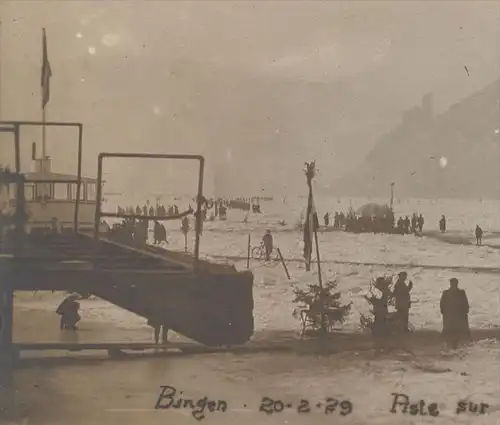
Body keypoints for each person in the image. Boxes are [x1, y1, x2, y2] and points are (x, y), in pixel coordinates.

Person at [440, 278, 470, 349]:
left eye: (454, 283)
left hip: (455, 315)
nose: (454, 285)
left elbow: (465, 303)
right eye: (453, 283)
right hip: (453, 316)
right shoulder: (447, 292)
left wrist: (466, 310)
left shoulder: (459, 292)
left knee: (454, 333)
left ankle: (453, 347)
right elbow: (442, 304)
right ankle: (453, 347)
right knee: (453, 333)